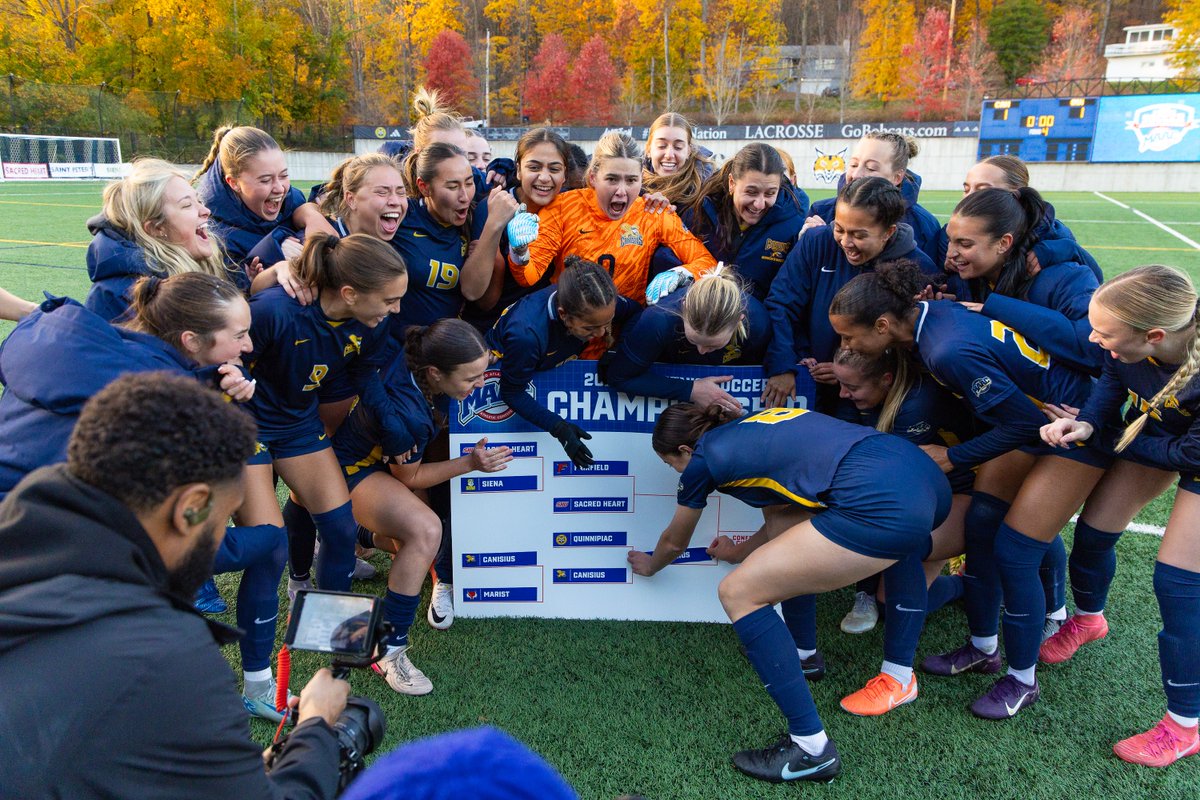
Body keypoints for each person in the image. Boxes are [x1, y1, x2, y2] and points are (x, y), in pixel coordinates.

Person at [0, 372, 349, 799]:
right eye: (224, 518)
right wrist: (315, 727)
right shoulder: (168, 655)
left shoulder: (22, 538)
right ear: (192, 508)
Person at [827, 260, 1101, 720]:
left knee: (1015, 548)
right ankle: (983, 647)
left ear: (882, 324)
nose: (846, 346)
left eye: (850, 337)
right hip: (1036, 425)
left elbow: (1026, 422)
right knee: (981, 527)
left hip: (1072, 428)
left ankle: (1022, 678)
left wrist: (954, 457)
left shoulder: (945, 349)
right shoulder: (933, 321)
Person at [630, 404, 950, 784]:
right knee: (786, 537)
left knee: (738, 592)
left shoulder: (703, 460)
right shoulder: (753, 426)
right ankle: (805, 656)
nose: (676, 472)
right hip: (922, 477)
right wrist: (738, 551)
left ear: (685, 450)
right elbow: (785, 520)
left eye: (671, 464)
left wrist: (651, 565)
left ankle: (811, 749)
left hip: (882, 502)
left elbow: (674, 540)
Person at [1031, 265, 1200, 765]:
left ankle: (1185, 725)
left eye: (1105, 333)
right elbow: (1112, 378)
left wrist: (1113, 439)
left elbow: (1191, 457)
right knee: (1094, 531)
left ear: (1154, 336)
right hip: (1167, 442)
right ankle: (1088, 620)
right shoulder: (1131, 350)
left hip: (1190, 454)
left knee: (1177, 582)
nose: (1095, 340)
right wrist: (1087, 424)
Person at [240, 234, 412, 637]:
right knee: (267, 546)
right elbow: (222, 364)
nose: (396, 309)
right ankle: (259, 671)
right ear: (350, 293)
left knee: (340, 529)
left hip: (299, 426)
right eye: (389, 300)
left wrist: (393, 427)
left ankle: (330, 636)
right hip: (246, 429)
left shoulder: (371, 326)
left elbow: (364, 374)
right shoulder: (274, 311)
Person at [333, 319, 513, 689]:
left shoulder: (421, 356)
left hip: (371, 458)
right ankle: (390, 651)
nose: (480, 384)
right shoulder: (410, 414)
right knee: (426, 530)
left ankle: (359, 537)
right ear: (435, 372)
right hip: (347, 471)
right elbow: (410, 478)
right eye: (471, 378)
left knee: (411, 546)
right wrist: (470, 463)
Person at [762, 177, 936, 412]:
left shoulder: (918, 267)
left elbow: (909, 342)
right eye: (839, 228)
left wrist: (851, 370)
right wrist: (784, 363)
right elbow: (781, 303)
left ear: (888, 232)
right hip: (808, 376)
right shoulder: (816, 242)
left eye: (859, 235)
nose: (846, 242)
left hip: (870, 398)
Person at [508, 131, 716, 307]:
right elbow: (528, 277)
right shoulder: (563, 208)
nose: (621, 191)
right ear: (593, 178)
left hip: (625, 329)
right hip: (573, 326)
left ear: (641, 180)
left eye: (631, 180)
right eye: (612, 179)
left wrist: (681, 274)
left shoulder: (654, 213)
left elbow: (707, 263)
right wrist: (519, 252)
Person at [488, 256, 640, 468]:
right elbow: (512, 392)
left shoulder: (594, 304)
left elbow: (636, 312)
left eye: (608, 322)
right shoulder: (527, 335)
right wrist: (558, 428)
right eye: (589, 328)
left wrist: (617, 350)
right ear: (563, 314)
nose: (600, 333)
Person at [85, 158, 240, 322]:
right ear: (156, 228)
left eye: (199, 201)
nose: (205, 211)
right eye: (187, 205)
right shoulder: (118, 298)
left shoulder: (212, 263)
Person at [652, 143, 805, 302]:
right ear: (732, 183)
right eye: (751, 192)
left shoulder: (793, 226)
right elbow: (672, 259)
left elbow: (789, 297)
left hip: (754, 319)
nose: (759, 204)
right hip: (699, 311)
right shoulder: (700, 212)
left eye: (770, 193)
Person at [393, 142, 518, 331]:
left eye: (469, 183)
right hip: (396, 347)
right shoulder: (403, 215)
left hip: (446, 347)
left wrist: (492, 235)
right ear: (424, 187)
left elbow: (481, 299)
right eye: (452, 187)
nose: (465, 196)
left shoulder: (475, 217)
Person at [606, 267, 769, 410]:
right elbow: (618, 376)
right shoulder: (659, 319)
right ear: (684, 307)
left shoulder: (757, 323)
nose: (702, 351)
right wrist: (690, 390)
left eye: (713, 345)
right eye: (694, 340)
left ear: (738, 320)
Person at [464, 127, 572, 333]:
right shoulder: (495, 205)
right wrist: (495, 229)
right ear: (519, 170)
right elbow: (483, 301)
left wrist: (652, 198)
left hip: (541, 328)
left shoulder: (571, 205)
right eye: (534, 167)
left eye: (554, 169)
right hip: (490, 330)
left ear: (565, 174)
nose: (544, 177)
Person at [938, 155, 1101, 280]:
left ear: (1016, 193)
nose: (969, 197)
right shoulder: (952, 232)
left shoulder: (1052, 237)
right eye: (966, 189)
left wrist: (1068, 249)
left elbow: (1097, 279)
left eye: (982, 189)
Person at [195, 125, 335, 270]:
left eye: (283, 175)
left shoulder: (292, 199)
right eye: (265, 180)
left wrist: (314, 212)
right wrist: (273, 250)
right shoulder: (211, 233)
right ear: (234, 183)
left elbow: (301, 208)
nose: (280, 188)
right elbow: (236, 287)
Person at [804, 132, 941, 263]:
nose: (856, 174)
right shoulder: (821, 211)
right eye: (853, 164)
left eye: (871, 168)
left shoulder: (924, 225)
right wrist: (803, 242)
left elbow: (930, 278)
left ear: (897, 177)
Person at [641, 112, 715, 209]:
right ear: (648, 149)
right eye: (661, 146)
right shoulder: (632, 188)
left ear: (689, 151)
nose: (669, 155)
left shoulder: (708, 191)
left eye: (678, 147)